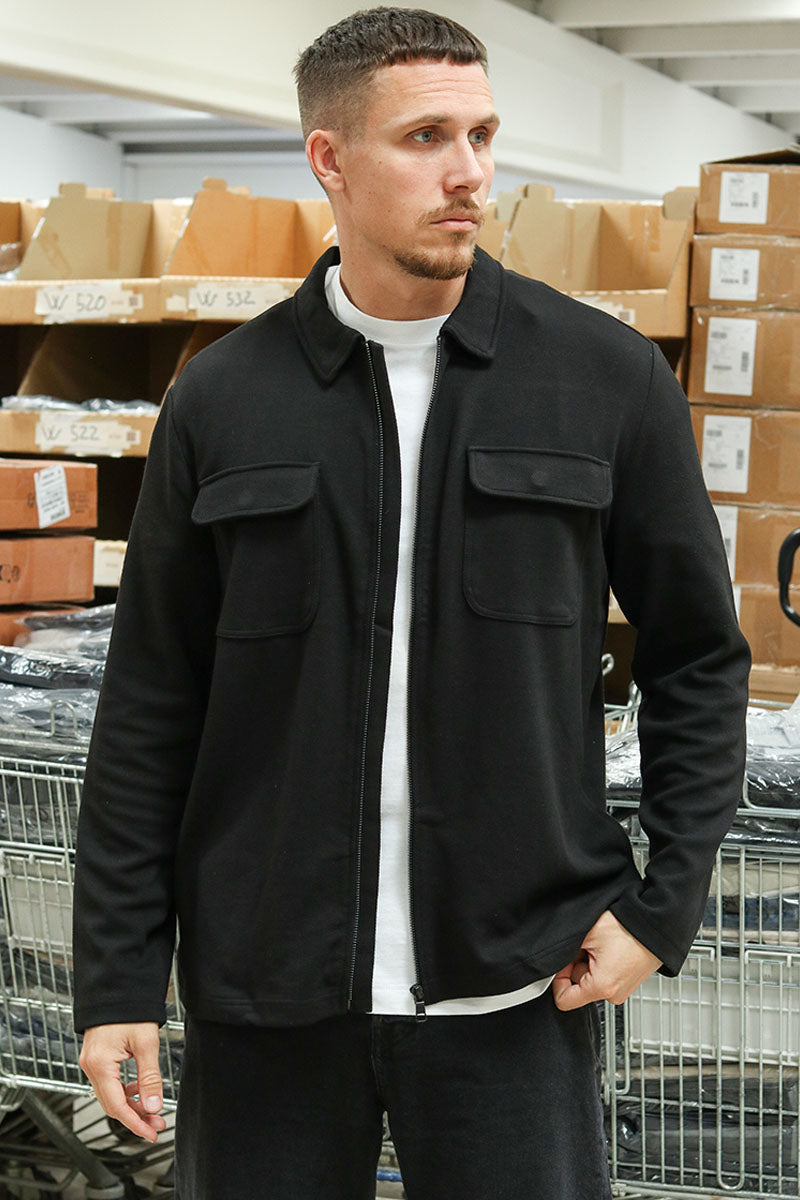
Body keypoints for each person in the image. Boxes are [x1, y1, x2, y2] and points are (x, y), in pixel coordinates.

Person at [73, 8, 750, 1198]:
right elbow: (148, 710)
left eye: (481, 134)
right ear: (328, 159)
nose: (468, 172)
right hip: (266, 998)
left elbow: (697, 657)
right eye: (426, 137)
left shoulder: (600, 380)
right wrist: (117, 978)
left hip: (518, 992)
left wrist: (663, 904)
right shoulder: (223, 401)